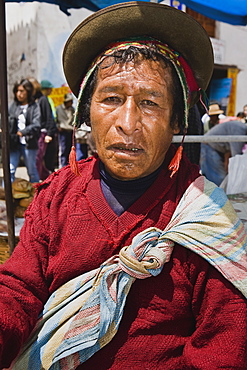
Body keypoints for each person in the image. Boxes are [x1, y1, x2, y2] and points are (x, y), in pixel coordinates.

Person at [0, 3, 247, 369]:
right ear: (87, 113)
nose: (127, 122)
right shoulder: (57, 195)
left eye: (149, 102)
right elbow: (19, 289)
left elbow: (224, 346)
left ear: (177, 122)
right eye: (111, 99)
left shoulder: (207, 216)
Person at [7, 79, 41, 183]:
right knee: (10, 169)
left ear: (28, 91)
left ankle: (37, 195)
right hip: (14, 143)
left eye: (22, 91)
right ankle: (6, 194)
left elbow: (37, 124)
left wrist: (23, 132)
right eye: (17, 91)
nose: (19, 94)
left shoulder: (34, 106)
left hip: (28, 144)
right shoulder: (13, 106)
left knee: (31, 171)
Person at [200, 119, 247, 186]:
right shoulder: (239, 132)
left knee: (221, 179)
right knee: (219, 180)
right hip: (209, 148)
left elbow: (229, 153)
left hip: (213, 148)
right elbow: (236, 157)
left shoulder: (240, 129)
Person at [28, 78, 57, 181]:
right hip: (33, 133)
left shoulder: (43, 100)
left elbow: (49, 117)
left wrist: (49, 133)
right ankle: (46, 177)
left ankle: (39, 180)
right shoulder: (32, 101)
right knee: (35, 158)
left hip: (43, 133)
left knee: (38, 158)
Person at [56, 93, 75, 167]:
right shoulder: (58, 108)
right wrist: (58, 127)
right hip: (62, 131)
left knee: (70, 150)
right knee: (63, 149)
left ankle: (68, 166)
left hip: (70, 131)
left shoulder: (72, 109)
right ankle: (62, 166)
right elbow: (55, 120)